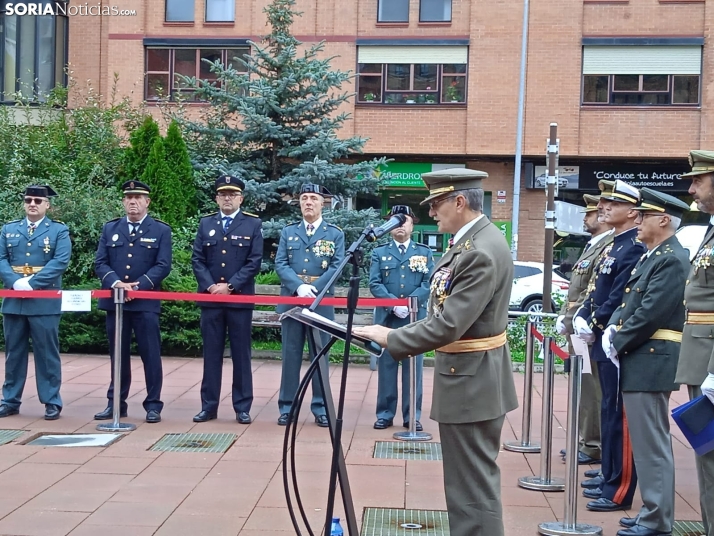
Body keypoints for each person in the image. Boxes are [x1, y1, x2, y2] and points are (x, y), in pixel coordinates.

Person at [355, 168, 518, 536]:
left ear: (460, 202)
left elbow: (448, 325)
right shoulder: (472, 243)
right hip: (471, 376)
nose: (431, 212)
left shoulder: (478, 252)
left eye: (437, 203)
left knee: (471, 488)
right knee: (469, 484)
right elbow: (442, 314)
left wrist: (391, 337)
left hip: (471, 381)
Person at [602, 188, 690, 536]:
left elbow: (650, 312)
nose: (636, 221)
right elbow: (629, 304)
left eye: (644, 216)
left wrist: (617, 340)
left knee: (652, 446)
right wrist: (613, 329)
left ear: (664, 220)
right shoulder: (655, 255)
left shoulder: (671, 257)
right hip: (642, 358)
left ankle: (657, 519)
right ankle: (652, 511)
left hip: (652, 359)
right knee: (646, 443)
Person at [574, 179, 646, 512]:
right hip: (600, 336)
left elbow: (619, 294)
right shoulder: (615, 244)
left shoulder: (632, 245)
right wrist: (583, 313)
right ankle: (608, 475)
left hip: (612, 338)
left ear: (633, 212)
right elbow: (596, 288)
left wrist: (598, 319)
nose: (605, 208)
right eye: (605, 204)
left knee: (617, 414)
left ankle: (618, 487)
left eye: (613, 205)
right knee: (608, 410)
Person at [94, 180, 172, 423]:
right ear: (123, 201)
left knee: (151, 353)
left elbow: (163, 265)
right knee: (118, 354)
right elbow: (101, 262)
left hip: (145, 302)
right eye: (129, 197)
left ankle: (153, 404)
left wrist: (138, 285)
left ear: (147, 202)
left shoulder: (160, 230)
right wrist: (117, 283)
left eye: (138, 197)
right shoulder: (110, 229)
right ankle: (116, 402)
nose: (133, 202)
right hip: (116, 302)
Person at [191, 175, 263, 424]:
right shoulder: (205, 224)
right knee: (211, 354)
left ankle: (242, 407)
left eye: (232, 194)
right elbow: (197, 260)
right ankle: (208, 406)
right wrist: (211, 286)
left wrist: (230, 286)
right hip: (211, 300)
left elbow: (254, 262)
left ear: (240, 198)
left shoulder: (252, 225)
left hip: (238, 299)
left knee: (241, 356)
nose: (227, 198)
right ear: (217, 198)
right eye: (223, 194)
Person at [275, 183, 345, 427]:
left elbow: (337, 266)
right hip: (293, 300)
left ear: (322, 203)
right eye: (304, 198)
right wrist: (298, 287)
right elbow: (281, 263)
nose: (308, 202)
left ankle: (321, 407)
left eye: (313, 198)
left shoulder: (334, 233)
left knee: (320, 356)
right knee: (290, 354)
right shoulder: (288, 232)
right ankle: (287, 406)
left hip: (320, 301)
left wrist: (314, 289)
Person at [0, 185, 71, 420]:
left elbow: (60, 260)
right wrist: (14, 281)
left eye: (38, 201)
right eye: (29, 200)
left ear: (47, 205)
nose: (32, 204)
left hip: (44, 299)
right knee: (14, 353)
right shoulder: (9, 229)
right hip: (14, 299)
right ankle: (10, 400)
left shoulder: (59, 231)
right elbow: (1, 258)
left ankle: (51, 400)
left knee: (47, 353)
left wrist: (34, 283)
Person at [556, 189, 613, 470]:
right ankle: (586, 440)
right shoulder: (594, 246)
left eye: (591, 213)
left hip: (588, 329)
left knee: (592, 389)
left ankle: (593, 444)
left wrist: (573, 317)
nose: (587, 218)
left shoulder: (607, 247)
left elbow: (592, 291)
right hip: (578, 328)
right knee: (583, 385)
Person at [369, 205, 434, 431]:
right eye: (395, 221)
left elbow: (428, 283)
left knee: (413, 368)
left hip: (414, 318)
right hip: (388, 318)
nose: (400, 225)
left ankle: (411, 415)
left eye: (404, 220)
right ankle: (385, 414)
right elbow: (374, 283)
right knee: (386, 366)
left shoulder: (424, 252)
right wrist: (394, 305)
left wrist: (410, 304)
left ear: (412, 224)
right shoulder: (379, 252)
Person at [676, 149, 714, 536]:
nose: (692, 189)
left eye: (698, 181)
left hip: (711, 358)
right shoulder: (710, 228)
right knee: (708, 456)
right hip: (700, 353)